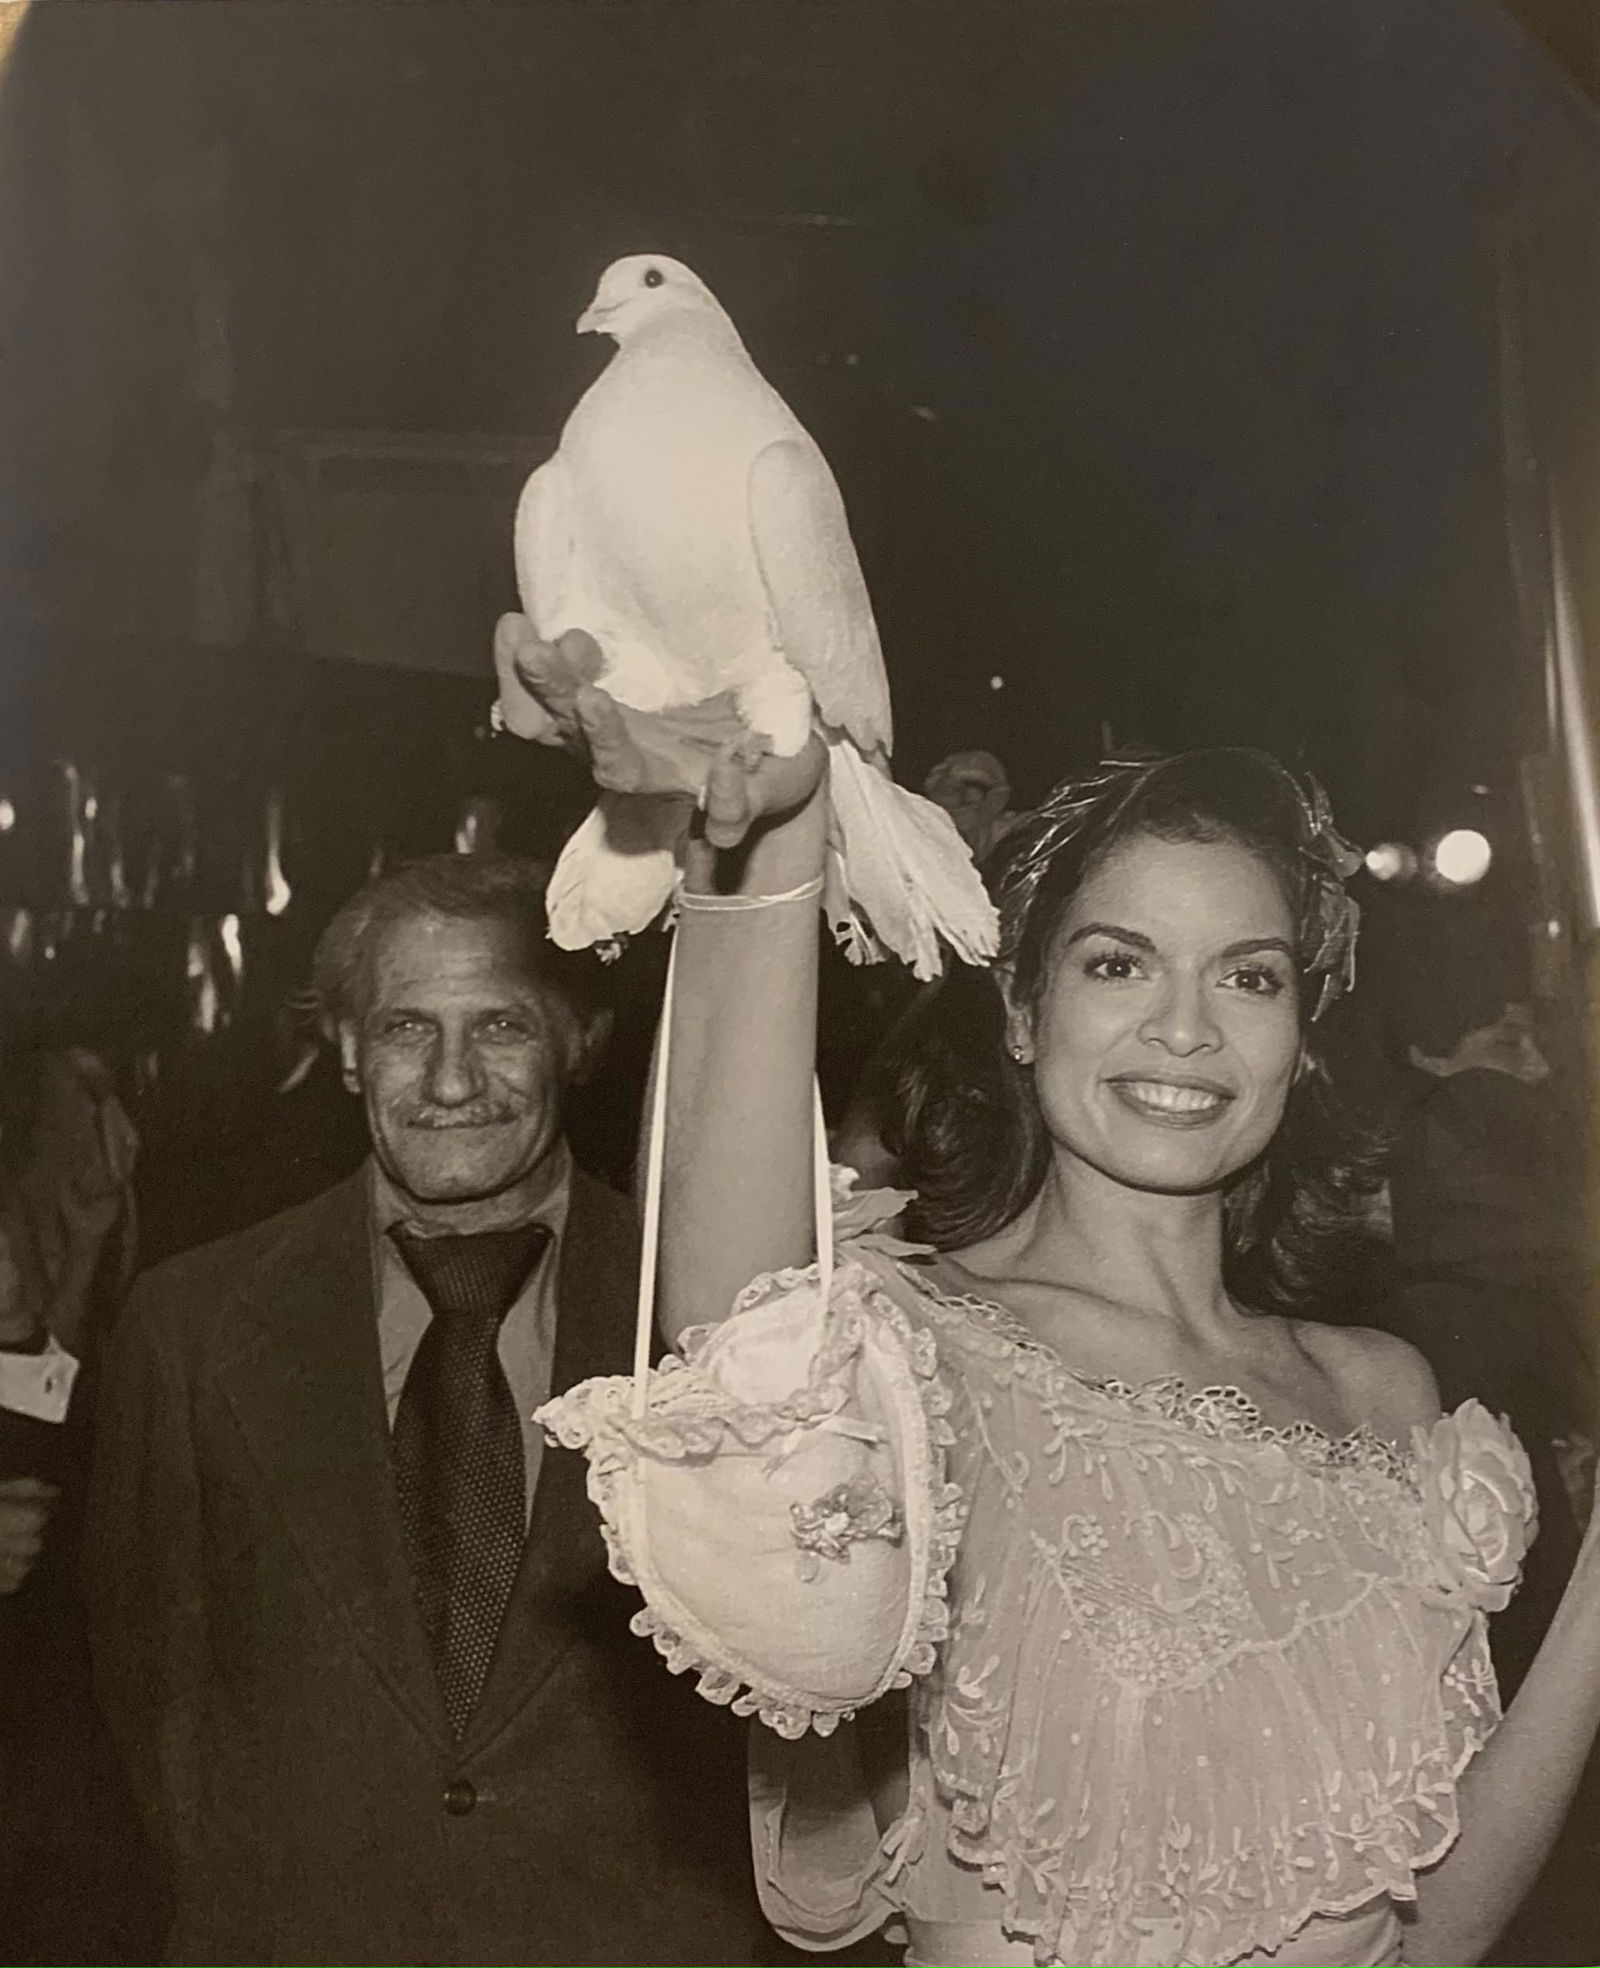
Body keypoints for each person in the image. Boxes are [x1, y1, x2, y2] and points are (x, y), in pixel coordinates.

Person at [506, 626, 1600, 1968]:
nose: (1186, 1029)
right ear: (1022, 1012)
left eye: (1248, 976)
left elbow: (1433, 1934)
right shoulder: (915, 1355)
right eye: (1119, 964)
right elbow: (737, 1333)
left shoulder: (1385, 1393)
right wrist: (766, 854)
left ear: (1301, 1039)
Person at [85, 851, 775, 1968]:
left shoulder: (715, 1320)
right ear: (349, 1052)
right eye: (408, 1028)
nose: (452, 1082)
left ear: (576, 1042)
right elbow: (152, 1690)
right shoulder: (190, 1325)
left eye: (500, 1026)